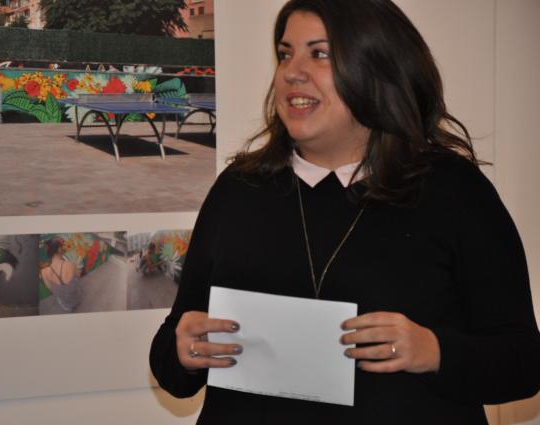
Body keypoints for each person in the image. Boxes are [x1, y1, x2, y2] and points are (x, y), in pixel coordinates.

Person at [149, 0, 540, 423]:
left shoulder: (454, 191)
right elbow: (173, 362)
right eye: (285, 54)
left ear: (379, 69)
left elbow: (522, 362)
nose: (292, 72)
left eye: (320, 53)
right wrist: (183, 351)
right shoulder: (238, 189)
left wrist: (433, 351)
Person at [40, 238, 81, 312]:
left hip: (65, 305)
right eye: (61, 247)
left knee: (61, 299)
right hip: (75, 298)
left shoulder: (44, 272)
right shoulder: (71, 264)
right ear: (59, 249)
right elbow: (78, 276)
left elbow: (51, 288)